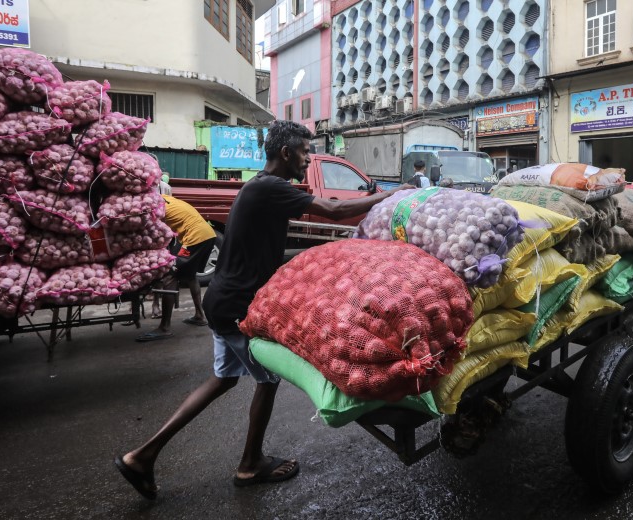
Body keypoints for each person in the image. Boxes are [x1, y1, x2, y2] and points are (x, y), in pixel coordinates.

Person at [115, 120, 414, 499]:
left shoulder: (260, 185)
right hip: (238, 306)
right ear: (286, 153)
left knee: (223, 379)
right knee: (268, 380)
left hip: (222, 300)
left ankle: (142, 456)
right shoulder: (271, 187)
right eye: (305, 152)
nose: (308, 160)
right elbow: (333, 211)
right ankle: (249, 465)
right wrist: (389, 196)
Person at [135, 195, 216, 342]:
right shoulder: (164, 199)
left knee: (170, 276)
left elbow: (153, 233)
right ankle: (199, 315)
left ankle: (164, 328)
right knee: (190, 275)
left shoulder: (152, 207)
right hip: (207, 234)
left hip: (195, 237)